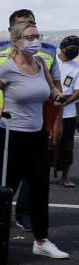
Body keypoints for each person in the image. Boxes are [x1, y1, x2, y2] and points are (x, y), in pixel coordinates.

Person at [0, 22, 69, 259]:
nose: (35, 41)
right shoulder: (7, 69)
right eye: (29, 38)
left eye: (36, 36)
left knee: (40, 191)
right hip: (13, 137)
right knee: (6, 190)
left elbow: (50, 90)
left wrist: (59, 96)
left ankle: (41, 241)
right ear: (17, 42)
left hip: (38, 137)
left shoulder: (40, 63)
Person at [53, 35, 79, 188]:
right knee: (45, 145)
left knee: (67, 146)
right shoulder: (51, 63)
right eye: (71, 49)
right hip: (49, 110)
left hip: (68, 112)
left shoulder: (76, 68)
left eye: (77, 50)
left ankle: (64, 177)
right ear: (62, 48)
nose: (74, 51)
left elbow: (77, 91)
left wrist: (64, 103)